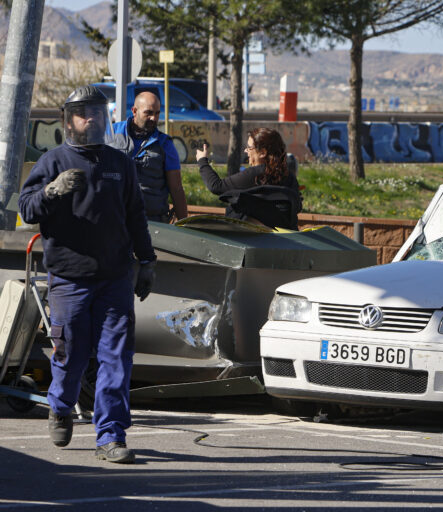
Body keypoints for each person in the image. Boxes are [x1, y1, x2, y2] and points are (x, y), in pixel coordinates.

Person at [18, 85, 157, 464]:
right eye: (83, 112)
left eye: (97, 111)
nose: (91, 118)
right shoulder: (53, 161)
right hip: (69, 279)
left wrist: (146, 261)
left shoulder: (120, 163)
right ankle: (60, 406)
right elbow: (26, 209)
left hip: (114, 278)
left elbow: (136, 216)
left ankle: (111, 435)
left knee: (116, 358)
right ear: (68, 120)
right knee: (71, 353)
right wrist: (50, 191)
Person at [195, 127, 302, 230]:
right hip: (285, 235)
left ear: (263, 153)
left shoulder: (255, 175)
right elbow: (297, 207)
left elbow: (216, 186)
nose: (246, 151)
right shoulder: (290, 177)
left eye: (250, 147)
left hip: (253, 238)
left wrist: (202, 161)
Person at [110, 91, 188, 223]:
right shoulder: (110, 134)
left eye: (157, 113)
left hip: (152, 223)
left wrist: (186, 227)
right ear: (134, 111)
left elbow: (176, 189)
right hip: (115, 220)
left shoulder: (165, 145)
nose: (154, 118)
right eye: (148, 113)